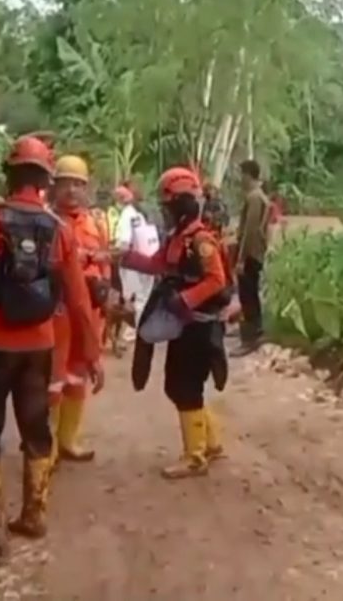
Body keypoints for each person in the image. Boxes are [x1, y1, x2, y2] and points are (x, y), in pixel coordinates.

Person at [0, 136, 104, 563]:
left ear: (9, 175)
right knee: (36, 429)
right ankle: (35, 514)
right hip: (38, 345)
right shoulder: (59, 229)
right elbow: (79, 300)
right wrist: (93, 353)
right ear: (45, 181)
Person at [119, 167, 231, 480]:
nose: (165, 211)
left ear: (181, 205)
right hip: (186, 324)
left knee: (184, 386)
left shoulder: (201, 240)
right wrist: (125, 258)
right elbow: (159, 264)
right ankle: (210, 443)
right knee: (183, 385)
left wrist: (185, 300)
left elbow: (217, 279)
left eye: (168, 206)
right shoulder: (178, 238)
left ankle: (195, 457)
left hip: (199, 324)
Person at [46, 154, 110, 466]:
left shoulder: (96, 223)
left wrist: (105, 302)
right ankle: (47, 447)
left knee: (78, 375)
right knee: (53, 379)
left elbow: (105, 264)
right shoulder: (45, 222)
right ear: (54, 187)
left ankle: (68, 440)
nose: (72, 190)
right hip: (56, 312)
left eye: (78, 184)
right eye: (65, 183)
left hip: (87, 313)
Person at [233, 160, 271, 356]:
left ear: (248, 175)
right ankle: (253, 331)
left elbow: (250, 231)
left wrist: (241, 258)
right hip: (255, 253)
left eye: (242, 174)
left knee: (247, 295)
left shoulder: (255, 197)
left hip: (251, 253)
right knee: (250, 294)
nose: (240, 179)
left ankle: (250, 338)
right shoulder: (258, 196)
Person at [113, 184, 159, 339]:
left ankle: (131, 333)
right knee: (143, 299)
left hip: (132, 263)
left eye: (119, 196)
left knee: (131, 300)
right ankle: (138, 332)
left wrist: (110, 254)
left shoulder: (127, 214)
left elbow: (124, 244)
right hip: (150, 262)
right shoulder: (146, 211)